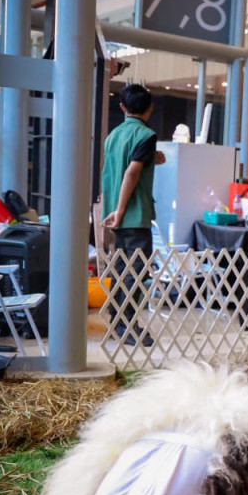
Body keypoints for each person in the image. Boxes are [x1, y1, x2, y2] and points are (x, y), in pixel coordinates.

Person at [101, 84, 162, 346]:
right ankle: (127, 326)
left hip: (113, 213)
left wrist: (153, 158)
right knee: (136, 272)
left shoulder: (113, 135)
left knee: (120, 269)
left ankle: (118, 322)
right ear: (150, 108)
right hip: (132, 214)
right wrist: (123, 209)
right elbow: (132, 172)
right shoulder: (145, 135)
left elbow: (122, 167)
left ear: (122, 107)